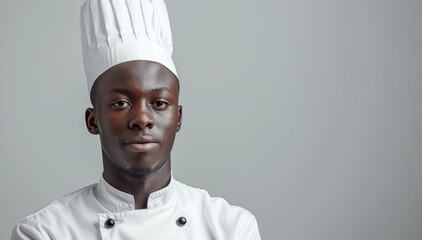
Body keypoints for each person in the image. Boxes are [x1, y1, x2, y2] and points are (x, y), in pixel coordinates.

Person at [11, 0, 261, 239]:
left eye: (159, 103)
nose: (142, 119)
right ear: (93, 120)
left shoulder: (232, 227)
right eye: (121, 103)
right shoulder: (45, 232)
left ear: (178, 118)